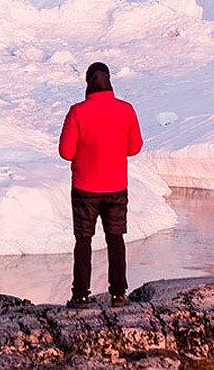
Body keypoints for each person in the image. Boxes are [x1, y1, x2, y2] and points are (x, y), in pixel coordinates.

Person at [58, 61, 143, 308]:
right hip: (116, 188)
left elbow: (65, 152)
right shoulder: (126, 110)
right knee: (115, 238)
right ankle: (118, 294)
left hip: (85, 189)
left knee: (83, 241)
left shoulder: (77, 112)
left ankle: (80, 296)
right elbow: (134, 147)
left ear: (88, 84)